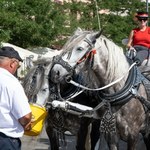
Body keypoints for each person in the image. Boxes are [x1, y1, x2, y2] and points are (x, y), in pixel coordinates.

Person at [0, 46, 32, 150]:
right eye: (17, 66)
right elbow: (25, 116)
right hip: (4, 140)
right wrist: (27, 124)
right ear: (12, 63)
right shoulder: (11, 82)